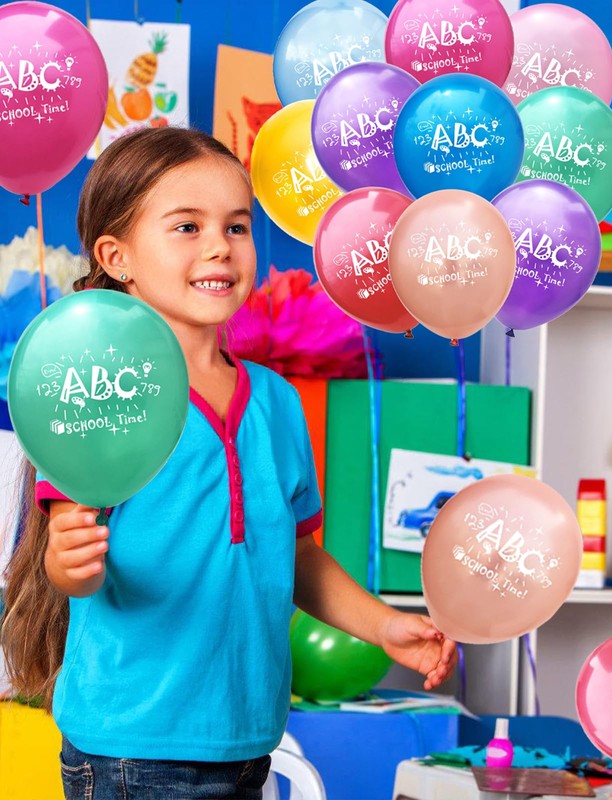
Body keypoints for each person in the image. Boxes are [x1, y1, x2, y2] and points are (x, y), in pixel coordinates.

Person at [1, 127, 458, 800]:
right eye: (187, 226)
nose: (219, 245)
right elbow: (70, 565)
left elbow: (296, 558)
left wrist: (385, 624)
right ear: (116, 256)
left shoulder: (274, 400)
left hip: (247, 742)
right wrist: (66, 564)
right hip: (133, 749)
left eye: (236, 226)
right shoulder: (100, 389)